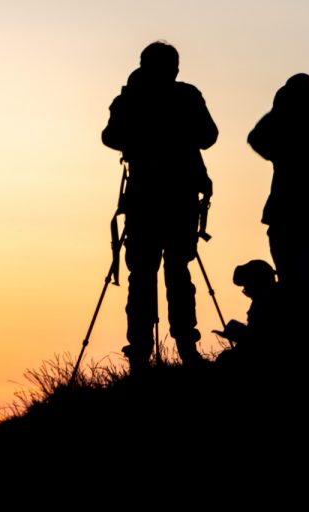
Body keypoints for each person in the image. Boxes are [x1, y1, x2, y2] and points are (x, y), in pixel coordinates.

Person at [101, 41, 219, 372]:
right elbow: (209, 136)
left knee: (142, 274)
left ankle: (140, 353)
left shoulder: (130, 98)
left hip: (144, 199)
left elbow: (110, 137)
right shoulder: (186, 96)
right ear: (174, 68)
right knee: (177, 271)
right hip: (179, 197)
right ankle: (184, 347)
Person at [247, 73, 309, 309]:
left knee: (299, 283)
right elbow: (256, 138)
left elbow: (257, 138)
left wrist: (281, 108)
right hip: (287, 216)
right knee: (294, 283)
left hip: (291, 215)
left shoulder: (285, 129)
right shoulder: (287, 129)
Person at [213, 259, 283, 369]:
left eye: (247, 287)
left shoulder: (269, 302)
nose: (247, 291)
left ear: (257, 283)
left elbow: (260, 340)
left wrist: (241, 336)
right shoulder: (262, 300)